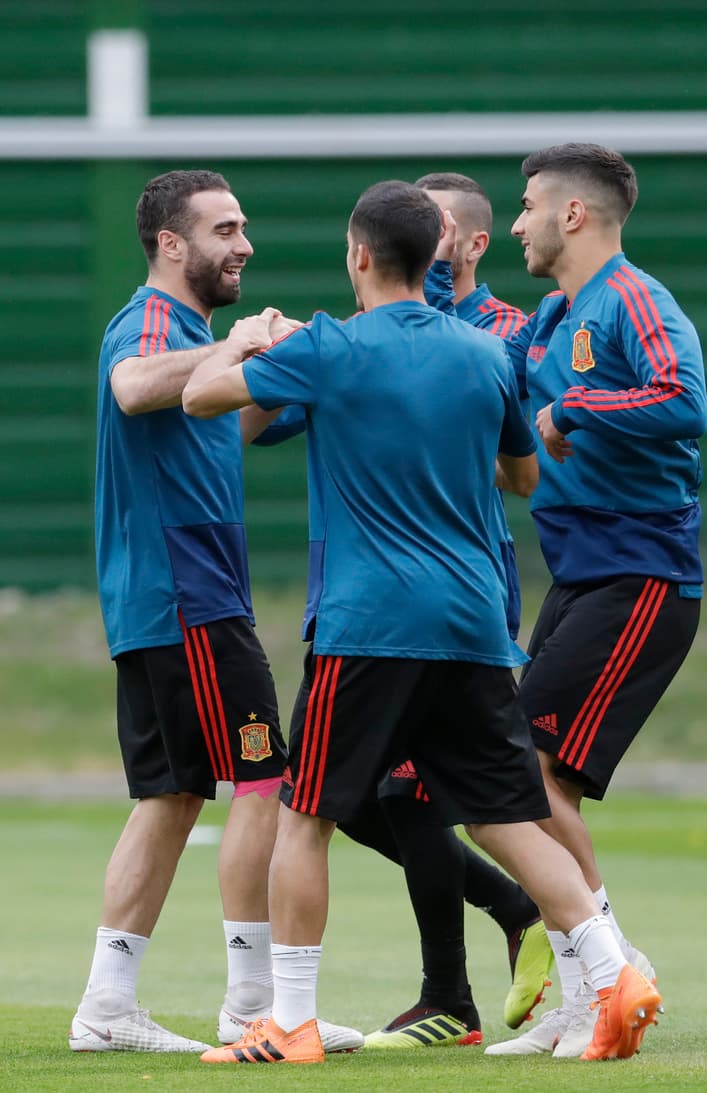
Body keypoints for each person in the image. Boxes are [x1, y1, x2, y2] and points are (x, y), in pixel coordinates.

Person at [187, 180, 659, 1065]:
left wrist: (253, 339)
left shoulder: (329, 347)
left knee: (303, 816)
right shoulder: (487, 355)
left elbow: (200, 400)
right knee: (508, 816)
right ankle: (610, 967)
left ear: (360, 255)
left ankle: (288, 1018)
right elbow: (523, 479)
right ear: (438, 256)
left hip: (368, 622)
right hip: (475, 620)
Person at [245, 174, 554, 1051]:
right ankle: (527, 947)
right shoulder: (404, 345)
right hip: (427, 603)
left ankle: (436, 993)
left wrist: (262, 354)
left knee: (374, 799)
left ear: (468, 242)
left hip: (404, 607)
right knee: (396, 797)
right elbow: (267, 422)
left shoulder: (490, 336)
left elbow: (519, 469)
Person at [71, 169, 360, 1056]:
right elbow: (132, 385)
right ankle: (251, 1003)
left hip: (174, 596)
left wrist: (299, 365)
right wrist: (236, 345)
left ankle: (107, 1007)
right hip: (187, 593)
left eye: (243, 227)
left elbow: (225, 424)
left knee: (171, 793)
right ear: (170, 244)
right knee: (267, 781)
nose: (244, 244)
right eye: (225, 229)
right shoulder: (155, 323)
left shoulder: (196, 339)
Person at [483, 144, 707, 1058]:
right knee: (537, 780)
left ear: (574, 214)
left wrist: (578, 408)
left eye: (529, 204)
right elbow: (489, 363)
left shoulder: (635, 299)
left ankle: (609, 972)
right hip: (582, 574)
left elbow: (685, 400)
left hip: (641, 572)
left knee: (529, 771)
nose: (518, 222)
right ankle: (593, 987)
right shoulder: (550, 315)